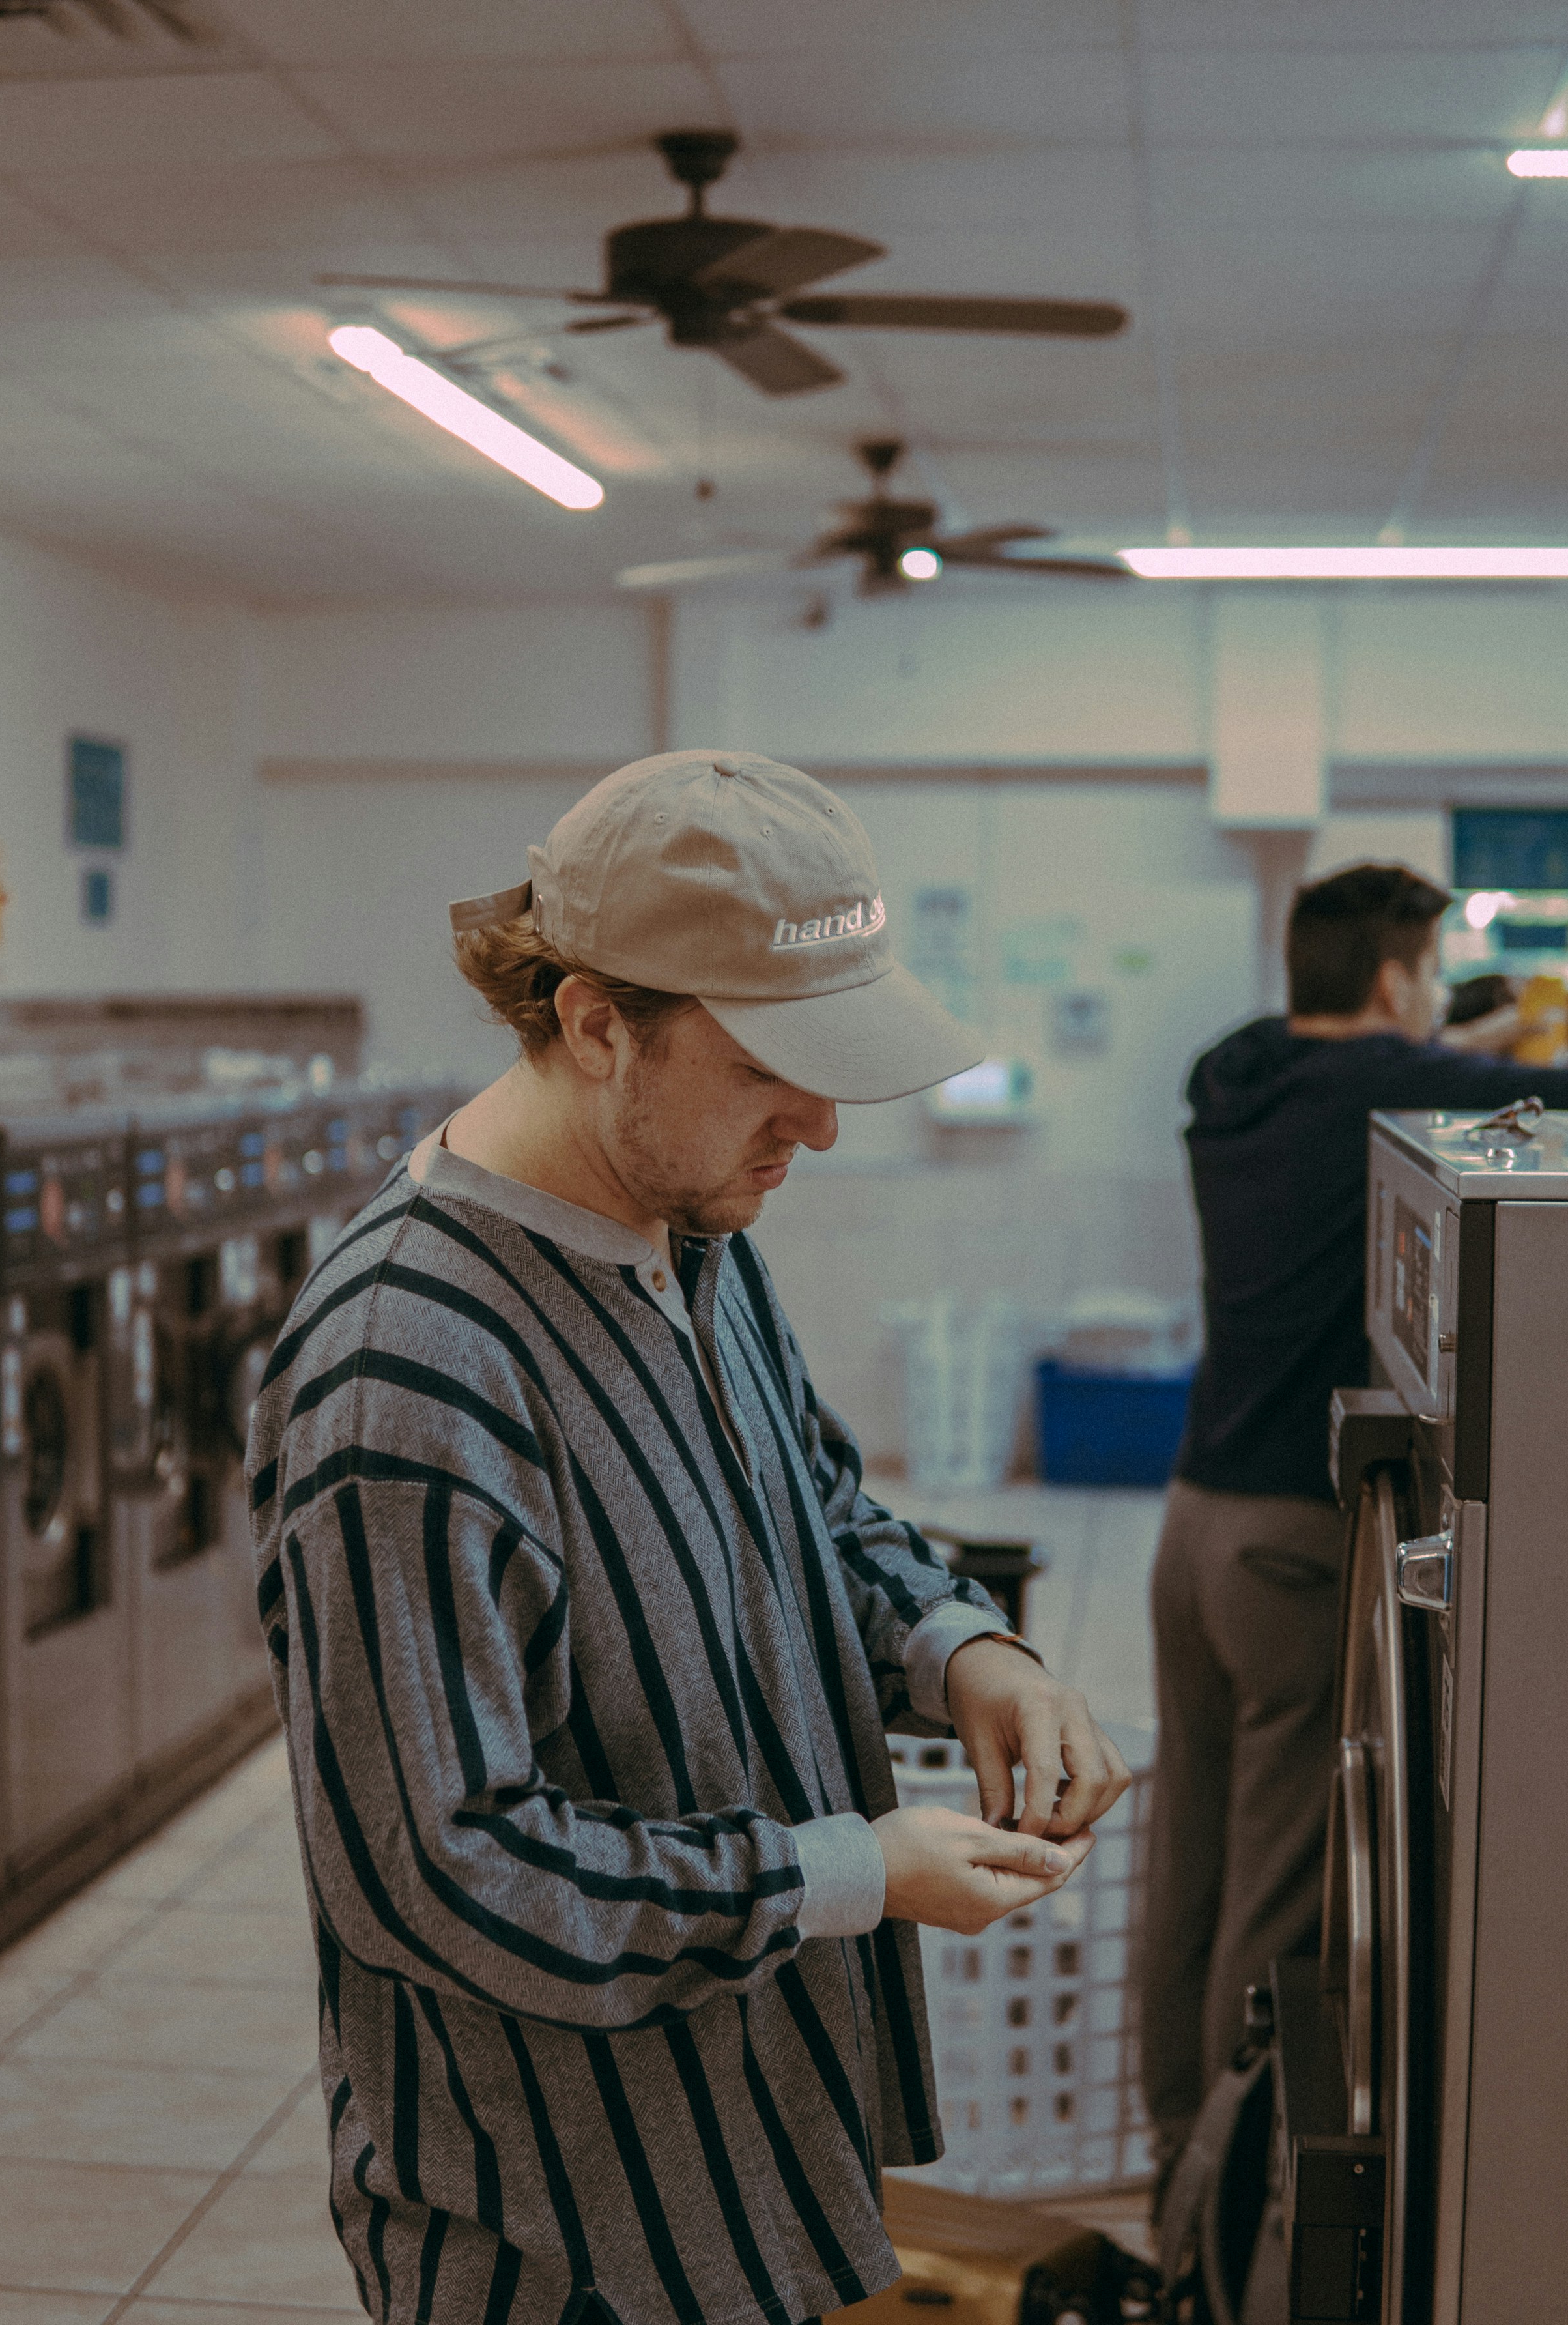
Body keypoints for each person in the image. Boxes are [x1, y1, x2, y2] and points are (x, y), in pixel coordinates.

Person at [248, 751, 1132, 2325]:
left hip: (754, 2149)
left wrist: (959, 1642)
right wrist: (847, 1867)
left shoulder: (690, 1226)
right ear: (595, 1024)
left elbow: (814, 1500)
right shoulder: (410, 1366)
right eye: (771, 1067)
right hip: (565, 2224)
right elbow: (439, 1870)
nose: (821, 1125)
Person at [1141, 861, 1568, 2195]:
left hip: (1189, 1524)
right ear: (1394, 978)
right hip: (1286, 1543)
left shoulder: (1237, 1080)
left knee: (1188, 1862)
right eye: (1427, 971)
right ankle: (1223, 2211)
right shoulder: (1408, 1091)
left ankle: (1165, 2157)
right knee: (1274, 1897)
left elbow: (1377, 1054)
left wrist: (1455, 1034)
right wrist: (1495, 1044)